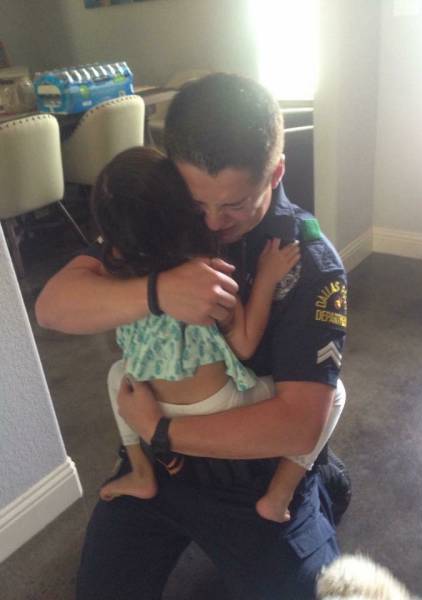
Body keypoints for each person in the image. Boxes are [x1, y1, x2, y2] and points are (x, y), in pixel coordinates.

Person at [36, 73, 349, 600]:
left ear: (275, 173)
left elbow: (298, 425)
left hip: (251, 470)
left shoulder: (309, 264)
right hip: (160, 469)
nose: (210, 222)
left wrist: (159, 431)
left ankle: (320, 486)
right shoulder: (160, 212)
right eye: (195, 203)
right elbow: (52, 307)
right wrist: (157, 292)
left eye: (234, 205)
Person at [92, 146, 345, 524]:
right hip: (216, 404)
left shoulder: (115, 275)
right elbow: (243, 342)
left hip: (145, 395)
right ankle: (279, 494)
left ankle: (141, 471)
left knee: (116, 375)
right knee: (334, 396)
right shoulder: (205, 272)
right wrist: (266, 279)